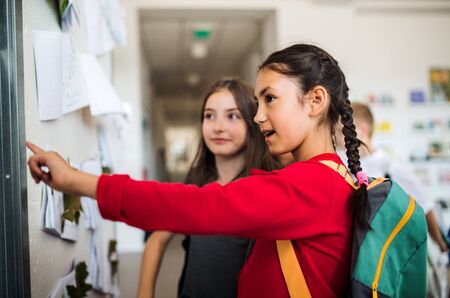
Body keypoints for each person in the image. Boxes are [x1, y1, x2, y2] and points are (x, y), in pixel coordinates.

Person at [27, 43, 369, 297]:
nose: (258, 115)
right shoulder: (333, 176)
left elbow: (196, 206)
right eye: (259, 101)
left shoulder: (311, 183)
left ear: (315, 101)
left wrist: (75, 180)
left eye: (270, 99)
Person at [136, 78, 281, 298]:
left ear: (252, 122)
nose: (218, 127)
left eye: (232, 116)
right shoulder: (197, 179)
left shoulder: (264, 184)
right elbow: (157, 239)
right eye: (209, 116)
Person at [337, 102, 448, 252]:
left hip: (388, 250)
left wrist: (440, 244)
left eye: (341, 130)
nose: (337, 137)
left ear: (362, 129)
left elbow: (424, 206)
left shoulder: (390, 165)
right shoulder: (344, 167)